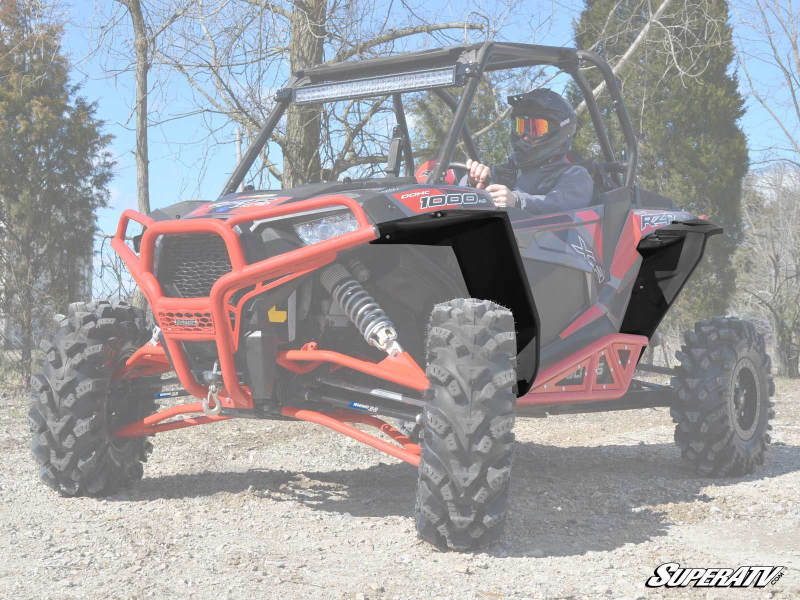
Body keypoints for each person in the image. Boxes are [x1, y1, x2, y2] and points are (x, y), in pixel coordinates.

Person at [464, 89, 594, 214]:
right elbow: (461, 193)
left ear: (559, 130)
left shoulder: (576, 176)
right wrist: (473, 181)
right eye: (520, 127)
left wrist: (517, 202)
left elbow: (558, 205)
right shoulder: (510, 170)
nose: (525, 137)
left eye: (535, 129)